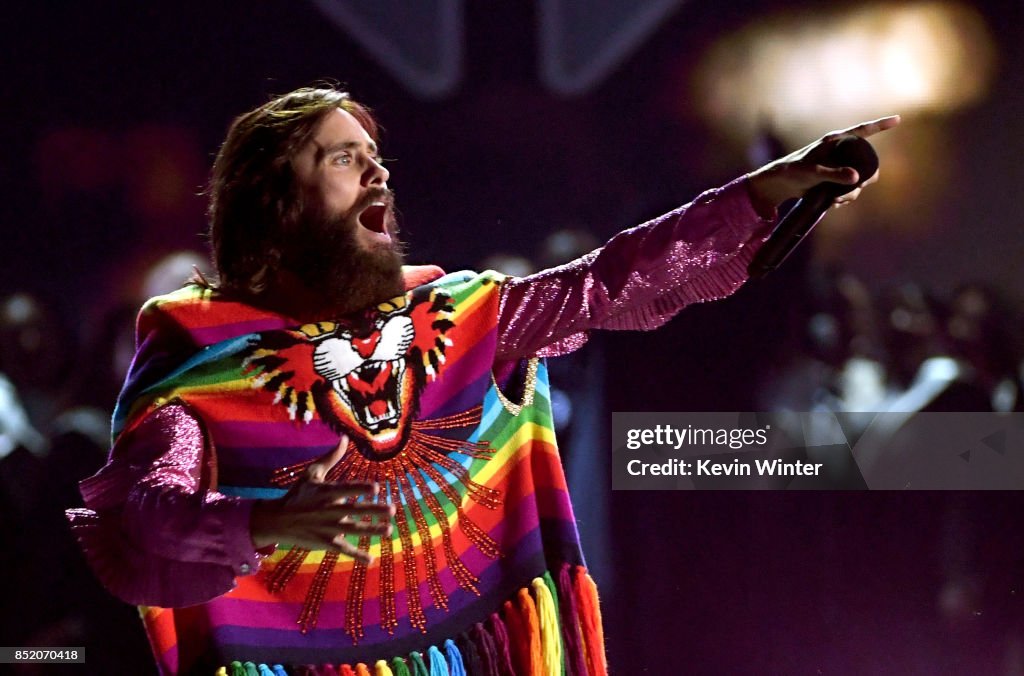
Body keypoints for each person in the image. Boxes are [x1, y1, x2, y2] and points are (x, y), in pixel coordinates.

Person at [67, 86, 898, 675]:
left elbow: (609, 281)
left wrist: (764, 192)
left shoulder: (456, 315)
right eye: (344, 159)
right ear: (277, 203)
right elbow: (146, 511)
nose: (378, 174)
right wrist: (266, 517)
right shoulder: (199, 351)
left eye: (377, 157)